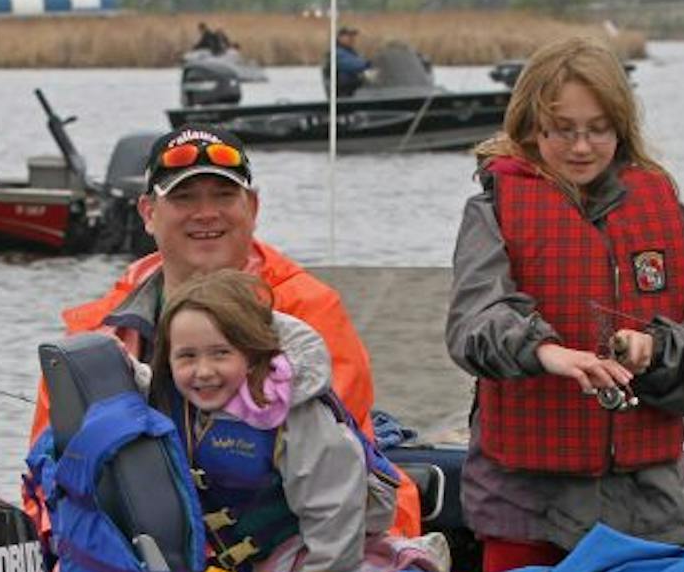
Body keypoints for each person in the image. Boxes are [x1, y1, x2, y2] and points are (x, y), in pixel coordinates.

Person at [445, 35, 684, 572]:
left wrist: (656, 349)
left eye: (597, 129)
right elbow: (475, 320)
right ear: (532, 127)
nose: (581, 147)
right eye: (563, 129)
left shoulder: (673, 217)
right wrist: (547, 352)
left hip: (650, 511)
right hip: (524, 507)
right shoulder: (491, 212)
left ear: (621, 128)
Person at [26, 124, 421, 535]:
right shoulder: (95, 333)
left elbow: (342, 467)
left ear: (252, 206)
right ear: (148, 213)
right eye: (183, 197)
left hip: (290, 549)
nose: (206, 213)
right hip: (145, 562)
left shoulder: (307, 313)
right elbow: (46, 479)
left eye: (224, 195)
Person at [156, 271, 440, 572]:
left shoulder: (298, 418)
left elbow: (334, 512)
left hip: (322, 557)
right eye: (187, 356)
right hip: (254, 562)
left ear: (252, 353)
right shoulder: (180, 402)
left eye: (221, 353)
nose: (203, 371)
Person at [331, 26, 371, 97]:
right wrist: (368, 64)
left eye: (352, 36)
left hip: (354, 89)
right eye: (348, 36)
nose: (352, 38)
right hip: (343, 91)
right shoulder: (337, 52)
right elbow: (349, 64)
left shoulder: (352, 52)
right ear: (339, 38)